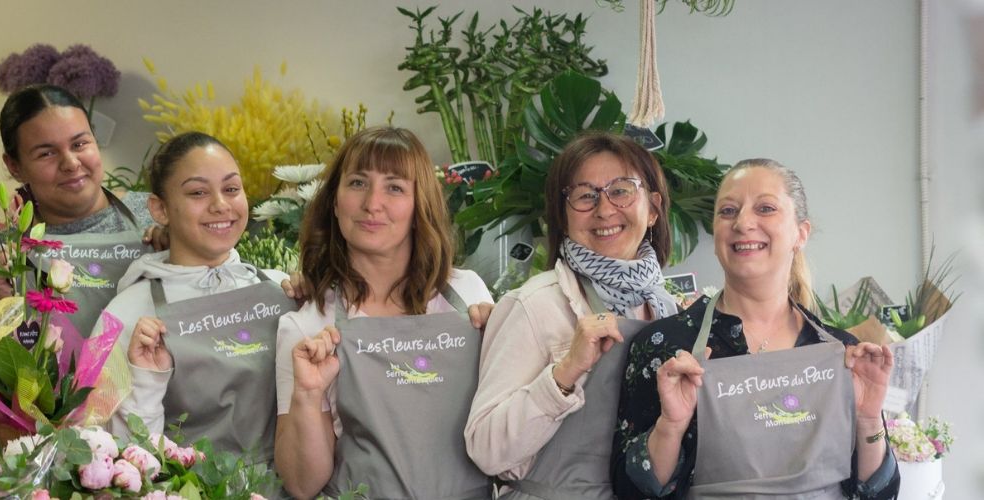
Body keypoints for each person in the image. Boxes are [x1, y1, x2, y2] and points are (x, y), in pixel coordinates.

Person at [612, 159, 900, 499]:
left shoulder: (840, 355)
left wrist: (868, 420)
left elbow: (878, 493)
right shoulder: (665, 347)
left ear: (800, 233)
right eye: (728, 211)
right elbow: (630, 490)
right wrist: (670, 428)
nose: (743, 223)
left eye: (765, 208)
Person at [273, 126, 495, 500]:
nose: (372, 203)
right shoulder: (306, 325)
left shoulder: (468, 295)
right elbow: (300, 483)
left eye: (394, 187)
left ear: (419, 204)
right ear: (335, 201)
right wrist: (308, 396)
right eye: (358, 183)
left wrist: (500, 341)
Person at [465, 131, 679, 499]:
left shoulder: (666, 309)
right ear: (562, 218)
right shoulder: (533, 305)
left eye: (621, 190)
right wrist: (564, 374)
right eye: (585, 195)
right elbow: (486, 449)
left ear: (654, 208)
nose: (604, 209)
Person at [97, 131, 294, 463]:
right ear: (159, 209)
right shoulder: (122, 314)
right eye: (198, 192)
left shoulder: (282, 290)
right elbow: (108, 453)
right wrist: (147, 380)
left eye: (231, 189)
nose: (220, 205)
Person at [0, 84, 158, 338]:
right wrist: (4, 307)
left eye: (80, 143)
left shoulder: (157, 215)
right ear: (14, 166)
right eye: (46, 153)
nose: (71, 163)